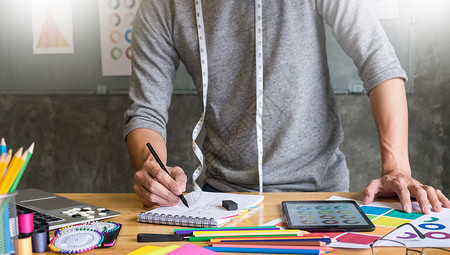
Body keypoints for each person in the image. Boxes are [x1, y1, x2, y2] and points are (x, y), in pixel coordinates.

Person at [124, 0, 450, 214]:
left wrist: (396, 169)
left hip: (319, 194)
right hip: (222, 199)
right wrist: (154, 171)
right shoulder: (160, 6)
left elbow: (378, 62)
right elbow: (145, 111)